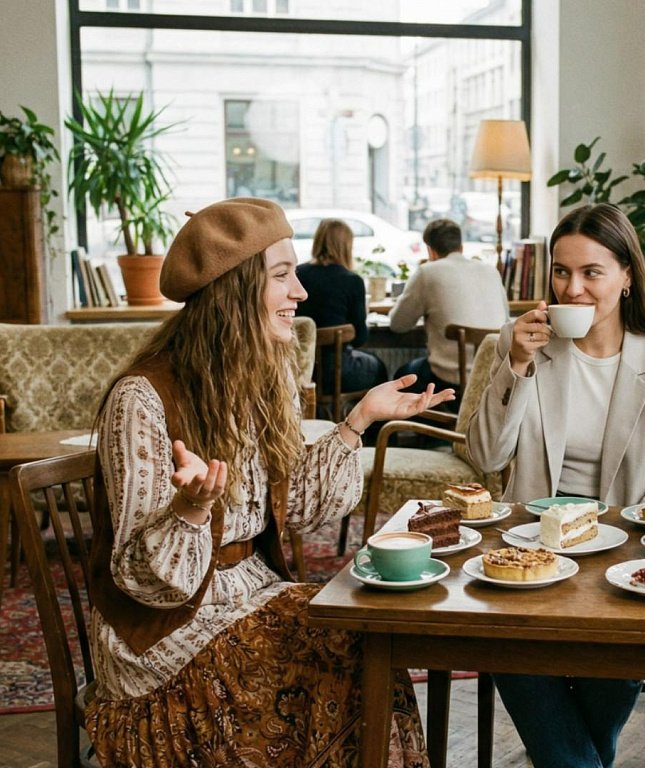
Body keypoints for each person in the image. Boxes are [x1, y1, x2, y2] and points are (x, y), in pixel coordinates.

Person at [84, 197, 455, 767]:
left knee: (369, 648)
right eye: (282, 275)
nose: (301, 292)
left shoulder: (261, 377)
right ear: (234, 292)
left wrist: (357, 422)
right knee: (332, 672)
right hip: (162, 635)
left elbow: (299, 506)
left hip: (251, 592)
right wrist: (188, 511)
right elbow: (142, 581)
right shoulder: (142, 398)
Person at [466, 203, 645, 768]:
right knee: (505, 639)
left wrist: (599, 540)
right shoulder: (523, 345)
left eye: (591, 272)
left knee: (618, 659)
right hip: (527, 555)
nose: (572, 289)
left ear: (627, 277)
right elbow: (485, 456)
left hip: (619, 561)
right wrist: (516, 366)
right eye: (560, 271)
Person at [389, 218, 509, 408]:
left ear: (430, 250)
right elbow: (507, 319)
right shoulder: (491, 271)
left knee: (403, 376)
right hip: (494, 375)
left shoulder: (427, 272)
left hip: (449, 379)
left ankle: (429, 434)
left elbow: (398, 325)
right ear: (461, 247)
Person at [295, 217, 389, 400]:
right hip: (338, 372)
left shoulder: (297, 274)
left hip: (300, 369)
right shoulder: (352, 281)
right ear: (347, 246)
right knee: (378, 367)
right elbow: (360, 338)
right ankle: (373, 428)